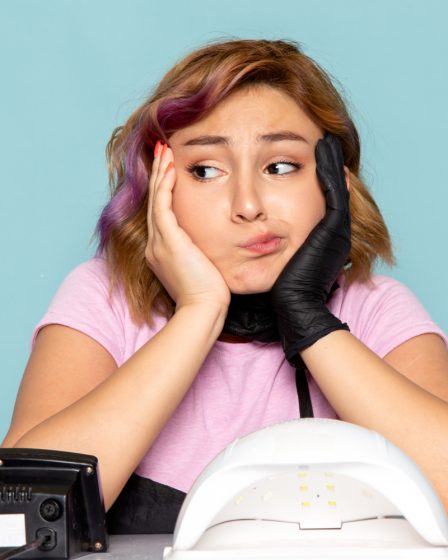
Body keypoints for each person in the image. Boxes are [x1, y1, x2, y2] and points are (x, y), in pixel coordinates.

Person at [2, 39, 448, 534]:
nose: (248, 205)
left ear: (334, 185)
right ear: (158, 188)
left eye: (280, 167)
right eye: (206, 170)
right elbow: (19, 517)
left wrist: (308, 319)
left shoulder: (377, 311)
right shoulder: (105, 299)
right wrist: (198, 312)